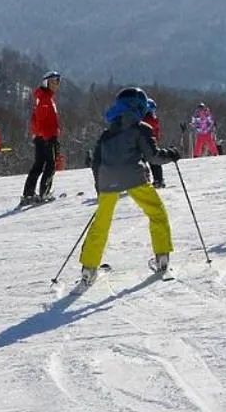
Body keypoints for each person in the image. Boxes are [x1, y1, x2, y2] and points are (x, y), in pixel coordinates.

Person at [73, 88, 182, 289]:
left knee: (101, 224)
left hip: (107, 181)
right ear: (137, 106)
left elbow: (96, 162)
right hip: (134, 178)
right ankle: (162, 259)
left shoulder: (106, 134)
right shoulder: (142, 128)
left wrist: (100, 188)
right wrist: (173, 154)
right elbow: (153, 156)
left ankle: (88, 270)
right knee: (157, 213)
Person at [21, 71, 62, 205]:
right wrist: (47, 137)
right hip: (47, 137)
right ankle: (44, 193)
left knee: (38, 165)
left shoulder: (45, 97)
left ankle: (28, 194)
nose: (57, 84)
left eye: (58, 80)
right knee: (50, 165)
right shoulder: (45, 99)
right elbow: (39, 119)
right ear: (46, 83)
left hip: (42, 137)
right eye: (54, 81)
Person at [142, 107, 168, 187]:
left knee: (141, 162)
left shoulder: (144, 119)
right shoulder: (153, 119)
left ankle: (144, 180)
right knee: (154, 161)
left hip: (142, 143)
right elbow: (157, 131)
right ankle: (158, 179)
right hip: (152, 142)